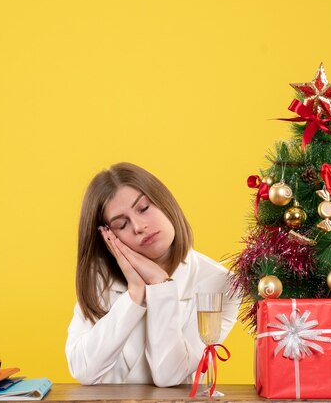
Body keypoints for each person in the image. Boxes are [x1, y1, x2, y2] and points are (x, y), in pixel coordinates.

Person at [65, 162, 240, 387]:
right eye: (121, 224)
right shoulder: (100, 277)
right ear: (109, 237)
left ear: (165, 203)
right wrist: (134, 295)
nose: (138, 226)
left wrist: (160, 285)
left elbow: (169, 376)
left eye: (144, 208)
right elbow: (83, 370)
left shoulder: (221, 283)